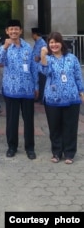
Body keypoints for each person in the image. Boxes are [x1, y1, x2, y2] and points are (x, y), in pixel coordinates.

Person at [40, 31, 84, 164]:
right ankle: (56, 153)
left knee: (70, 127)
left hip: (72, 98)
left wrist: (81, 91)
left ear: (61, 43)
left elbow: (77, 75)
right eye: (51, 42)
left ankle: (69, 153)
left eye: (56, 42)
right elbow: (45, 72)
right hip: (52, 99)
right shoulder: (48, 59)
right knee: (54, 127)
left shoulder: (72, 58)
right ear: (48, 44)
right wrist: (43, 56)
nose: (54, 45)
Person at [0, 19, 38, 160]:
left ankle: (30, 147)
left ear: (20, 31)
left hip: (27, 90)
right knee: (12, 121)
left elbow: (33, 67)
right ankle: (12, 147)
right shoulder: (5, 47)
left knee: (28, 120)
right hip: (11, 90)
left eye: (16, 29)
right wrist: (5, 47)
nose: (14, 31)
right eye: (11, 29)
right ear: (7, 31)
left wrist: (36, 86)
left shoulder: (28, 47)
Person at [31, 28, 47, 104]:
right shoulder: (37, 42)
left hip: (39, 66)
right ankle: (37, 96)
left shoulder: (42, 42)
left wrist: (40, 57)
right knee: (36, 81)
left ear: (35, 34)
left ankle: (41, 98)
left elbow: (45, 53)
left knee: (41, 82)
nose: (32, 36)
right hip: (35, 65)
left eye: (32, 34)